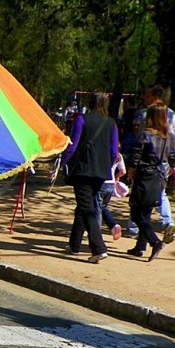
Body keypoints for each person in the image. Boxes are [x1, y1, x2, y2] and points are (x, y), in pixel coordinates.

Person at [60, 91, 119, 263]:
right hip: (101, 171)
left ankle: (98, 248)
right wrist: (106, 167)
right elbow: (114, 152)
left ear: (91, 103)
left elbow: (72, 146)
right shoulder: (111, 123)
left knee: (87, 208)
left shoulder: (82, 119)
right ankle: (74, 244)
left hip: (83, 169)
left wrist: (63, 163)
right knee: (85, 205)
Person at [126, 103, 175, 262]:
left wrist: (131, 172)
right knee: (147, 212)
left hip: (144, 176)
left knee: (136, 213)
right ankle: (139, 247)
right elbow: (174, 159)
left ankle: (155, 242)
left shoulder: (145, 135)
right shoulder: (169, 136)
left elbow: (135, 157)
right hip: (160, 177)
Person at [135, 85, 175, 243]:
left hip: (146, 167)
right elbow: (174, 151)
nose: (145, 99)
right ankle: (168, 222)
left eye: (147, 96)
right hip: (163, 165)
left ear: (154, 97)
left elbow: (138, 144)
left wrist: (132, 168)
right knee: (160, 195)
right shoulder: (174, 116)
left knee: (138, 203)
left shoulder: (144, 116)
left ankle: (137, 231)